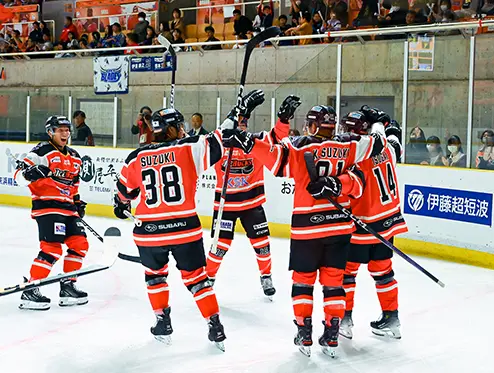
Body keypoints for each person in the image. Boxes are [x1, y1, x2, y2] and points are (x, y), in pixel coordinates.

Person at [223, 97, 389, 357]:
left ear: (312, 125)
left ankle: (304, 331)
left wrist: (247, 141)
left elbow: (273, 156)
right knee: (334, 283)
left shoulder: (299, 147)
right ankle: (332, 333)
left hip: (307, 229)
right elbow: (377, 147)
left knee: (303, 282)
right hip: (339, 228)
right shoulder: (351, 145)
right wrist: (378, 125)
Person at [113, 102, 264, 348]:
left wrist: (120, 205)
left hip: (150, 233)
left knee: (154, 277)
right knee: (197, 279)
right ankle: (215, 325)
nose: (184, 129)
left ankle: (163, 322)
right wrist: (238, 113)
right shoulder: (189, 148)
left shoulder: (136, 156)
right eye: (180, 126)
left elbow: (124, 193)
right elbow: (220, 138)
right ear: (173, 129)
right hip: (185, 229)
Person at [338, 107, 407, 340]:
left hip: (362, 225)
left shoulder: (356, 153)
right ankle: (392, 319)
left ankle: (344, 320)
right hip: (388, 224)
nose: (344, 132)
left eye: (348, 128)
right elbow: (394, 140)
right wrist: (384, 124)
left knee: (347, 273)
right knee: (384, 272)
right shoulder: (387, 147)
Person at [207, 93, 279, 298]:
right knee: (219, 246)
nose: (242, 126)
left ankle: (266, 276)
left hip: (252, 204)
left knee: (262, 244)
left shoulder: (256, 141)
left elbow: (276, 138)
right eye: (239, 122)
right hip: (225, 205)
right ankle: (209, 278)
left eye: (244, 123)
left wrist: (283, 121)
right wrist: (237, 111)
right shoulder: (220, 143)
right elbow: (218, 133)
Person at [14, 116, 89, 310]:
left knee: (80, 244)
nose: (65, 133)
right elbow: (18, 176)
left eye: (67, 130)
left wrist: (77, 201)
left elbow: (74, 184)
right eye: (60, 130)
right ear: (50, 132)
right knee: (52, 248)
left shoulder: (74, 156)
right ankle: (31, 288)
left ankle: (68, 286)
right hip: (47, 207)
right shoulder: (41, 151)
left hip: (68, 209)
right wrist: (30, 173)